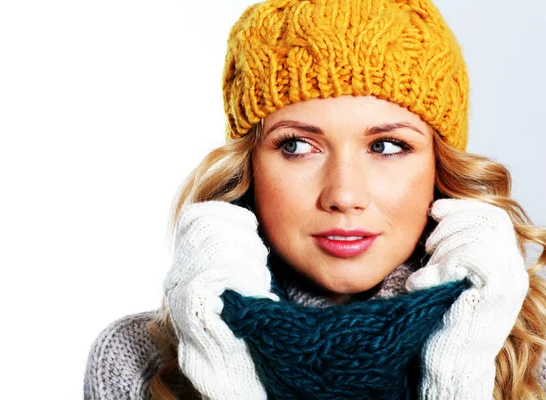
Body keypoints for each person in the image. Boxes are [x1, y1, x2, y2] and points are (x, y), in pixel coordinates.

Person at [83, 0, 546, 398]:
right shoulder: (139, 360)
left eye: (386, 146)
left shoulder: (532, 353)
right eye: (297, 146)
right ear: (249, 167)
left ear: (438, 168)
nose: (344, 195)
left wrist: (457, 381)